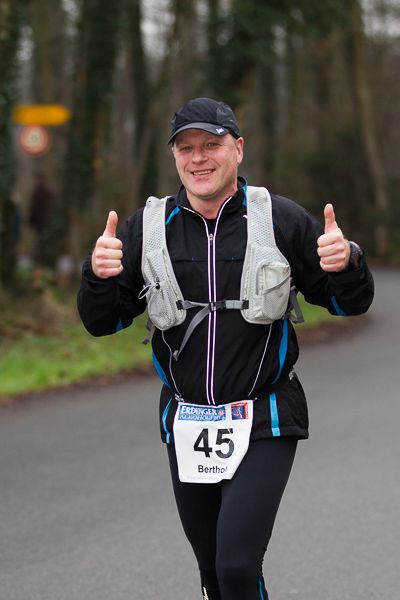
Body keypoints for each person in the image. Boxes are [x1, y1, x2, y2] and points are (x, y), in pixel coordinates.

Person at [77, 97, 374, 600]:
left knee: (237, 564)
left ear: (238, 149)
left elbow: (349, 303)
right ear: (174, 157)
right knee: (214, 572)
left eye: (210, 145)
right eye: (186, 148)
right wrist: (97, 275)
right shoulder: (147, 228)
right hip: (188, 420)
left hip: (265, 415)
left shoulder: (279, 219)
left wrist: (347, 263)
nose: (198, 158)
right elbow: (102, 322)